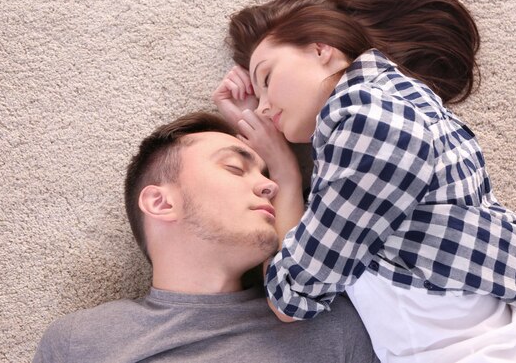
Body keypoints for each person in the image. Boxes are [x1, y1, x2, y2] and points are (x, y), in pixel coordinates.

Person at [212, 0, 516, 363]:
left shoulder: (372, 125)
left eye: (267, 78)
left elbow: (291, 297)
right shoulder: (390, 107)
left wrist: (283, 172)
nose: (262, 107)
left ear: (321, 49)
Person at [33, 112, 379, 363]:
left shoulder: (333, 326)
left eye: (266, 174)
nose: (268, 185)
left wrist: (287, 174)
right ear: (161, 202)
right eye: (233, 168)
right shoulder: (80, 342)